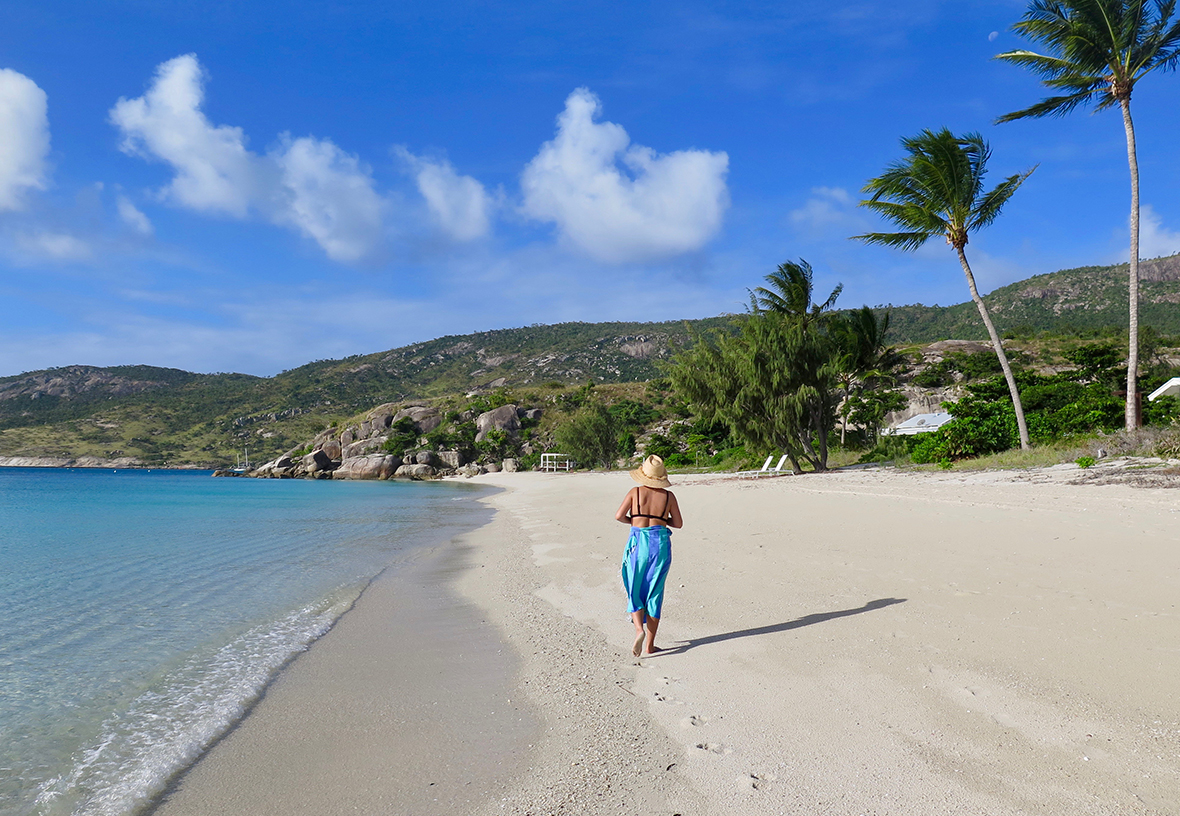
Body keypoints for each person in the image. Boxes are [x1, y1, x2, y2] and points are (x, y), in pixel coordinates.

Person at [615, 454, 683, 656]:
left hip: (638, 543)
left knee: (634, 587)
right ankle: (650, 646)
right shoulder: (669, 497)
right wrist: (661, 521)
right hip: (660, 544)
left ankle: (638, 630)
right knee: (655, 592)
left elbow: (619, 516)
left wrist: (635, 522)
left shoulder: (635, 492)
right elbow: (678, 523)